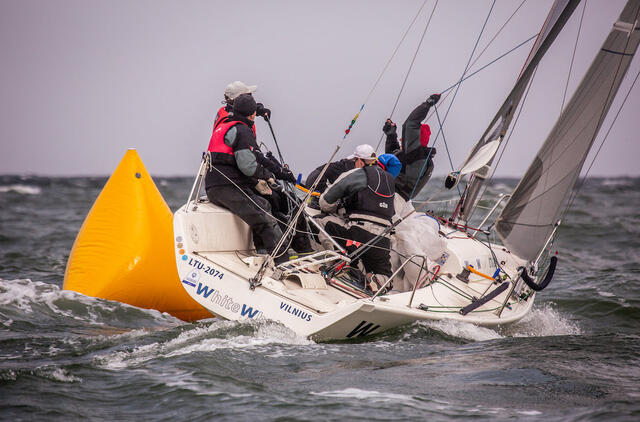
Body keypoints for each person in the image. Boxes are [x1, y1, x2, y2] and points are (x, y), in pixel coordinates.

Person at [204, 94, 294, 256]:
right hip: (226, 186)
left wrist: (277, 172)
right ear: (252, 114)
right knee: (263, 214)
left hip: (214, 186)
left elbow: (255, 158)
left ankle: (262, 251)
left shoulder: (226, 126)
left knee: (263, 204)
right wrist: (266, 176)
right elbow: (248, 167)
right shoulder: (243, 130)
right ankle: (282, 258)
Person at [318, 153, 402, 293]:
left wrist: (335, 209)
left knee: (322, 221)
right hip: (382, 241)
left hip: (358, 234)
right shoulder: (391, 185)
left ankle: (340, 262)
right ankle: (378, 281)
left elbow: (325, 202)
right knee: (384, 275)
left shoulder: (359, 173)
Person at [383, 93, 441, 200]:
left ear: (414, 139)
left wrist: (427, 104)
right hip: (391, 197)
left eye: (406, 138)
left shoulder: (417, 156)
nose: (401, 139)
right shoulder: (415, 157)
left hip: (393, 198)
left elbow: (410, 124)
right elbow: (394, 160)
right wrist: (391, 135)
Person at [305, 144, 377, 193]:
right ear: (359, 160)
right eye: (368, 163)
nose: (369, 166)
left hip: (321, 177)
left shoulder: (352, 164)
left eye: (372, 163)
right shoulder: (347, 169)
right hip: (317, 181)